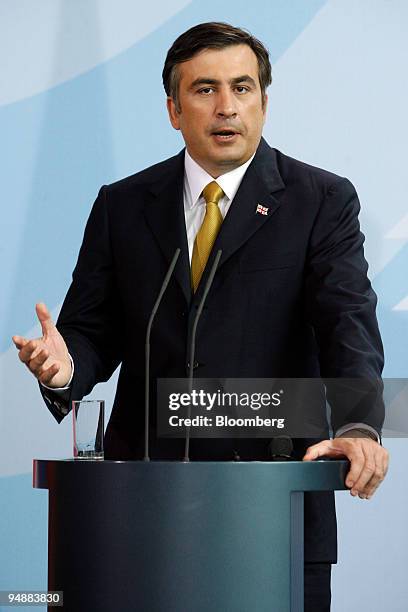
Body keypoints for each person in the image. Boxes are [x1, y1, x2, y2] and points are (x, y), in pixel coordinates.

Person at [12, 22, 388, 611]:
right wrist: (62, 370)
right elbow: (88, 335)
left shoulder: (320, 201)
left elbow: (349, 324)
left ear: (265, 100)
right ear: (173, 109)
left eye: (242, 87)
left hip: (271, 513)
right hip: (135, 514)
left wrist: (360, 428)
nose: (227, 107)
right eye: (205, 90)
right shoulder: (123, 205)